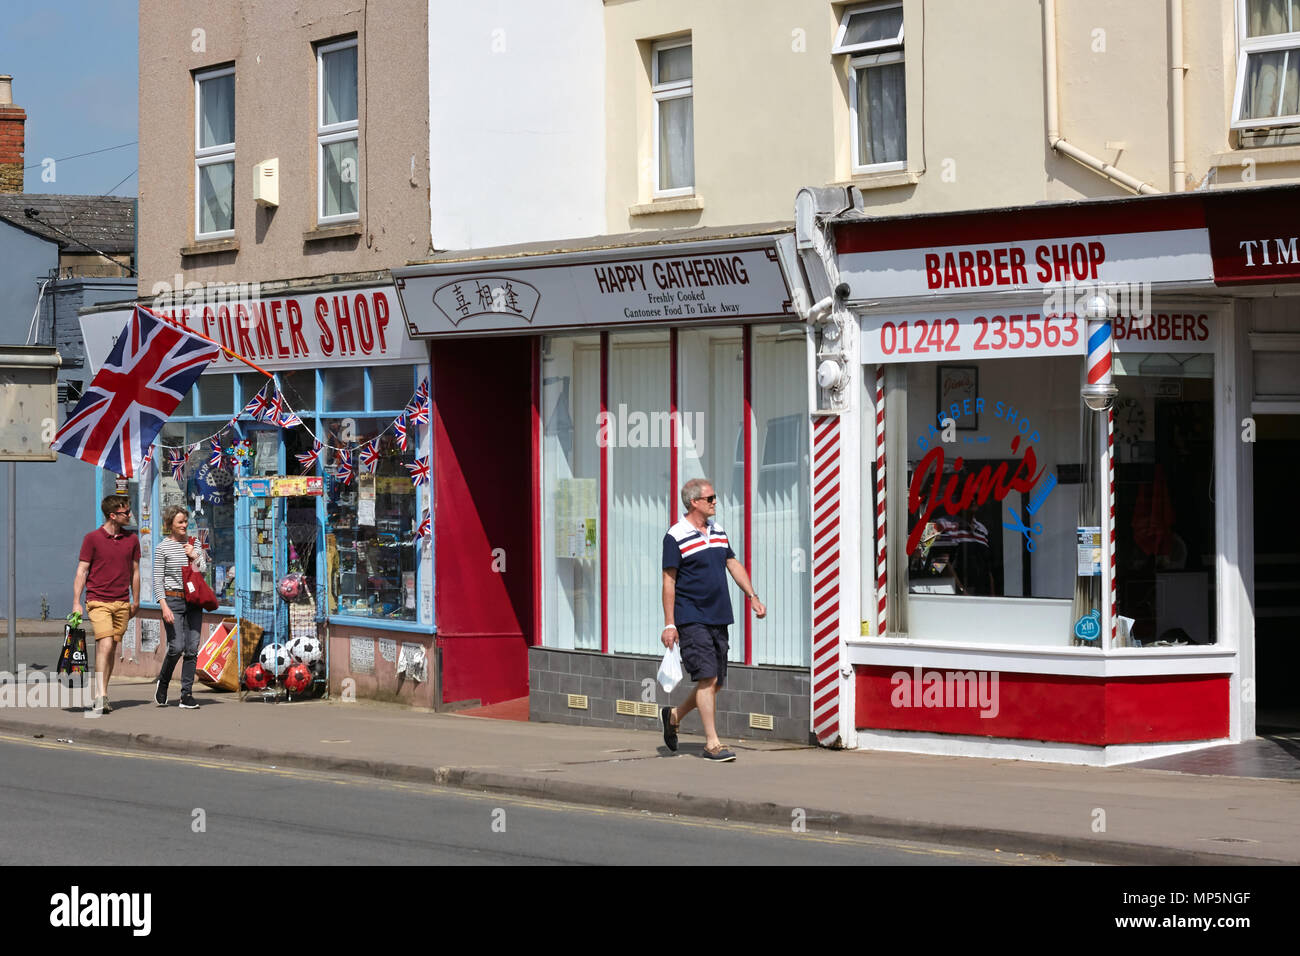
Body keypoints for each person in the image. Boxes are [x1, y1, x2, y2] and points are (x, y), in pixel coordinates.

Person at [660, 477, 767, 761]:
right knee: (707, 677)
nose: (715, 502)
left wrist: (752, 596)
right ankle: (712, 743)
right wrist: (670, 624)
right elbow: (668, 582)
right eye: (710, 498)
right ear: (694, 502)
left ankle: (674, 715)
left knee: (716, 681)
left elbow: (731, 562)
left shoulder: (717, 530)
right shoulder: (675, 535)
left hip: (719, 615)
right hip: (691, 617)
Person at [72, 495, 141, 715]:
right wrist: (76, 602)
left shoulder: (132, 540)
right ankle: (100, 696)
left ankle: (103, 691)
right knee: (106, 644)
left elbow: (136, 571)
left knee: (111, 649)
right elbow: (82, 571)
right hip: (98, 601)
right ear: (112, 515)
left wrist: (136, 600)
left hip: (122, 602)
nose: (129, 515)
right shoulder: (92, 538)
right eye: (125, 512)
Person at [154, 504, 207, 709]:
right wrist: (164, 606)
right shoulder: (162, 548)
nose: (185, 525)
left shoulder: (193, 543)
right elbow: (158, 579)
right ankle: (164, 682)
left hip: (193, 600)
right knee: (177, 647)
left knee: (192, 648)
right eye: (180, 522)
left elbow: (201, 570)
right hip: (173, 601)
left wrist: (194, 555)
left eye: (186, 521)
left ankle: (186, 695)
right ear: (170, 525)